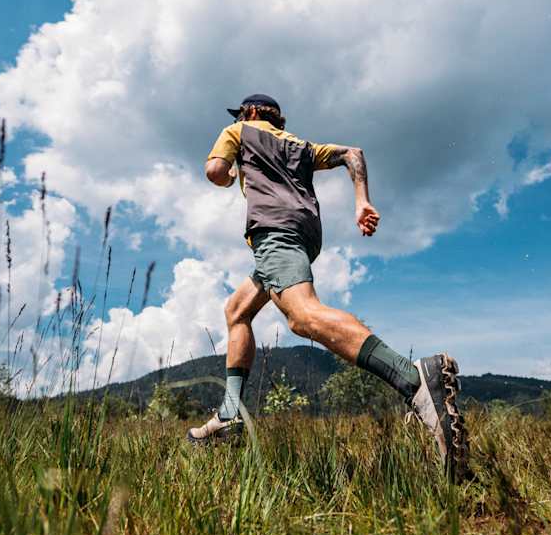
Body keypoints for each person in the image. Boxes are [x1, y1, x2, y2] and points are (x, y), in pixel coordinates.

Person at [186, 93, 468, 477]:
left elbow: (215, 171)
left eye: (242, 115)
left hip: (274, 231)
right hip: (304, 233)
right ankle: (230, 413)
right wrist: (362, 201)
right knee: (237, 310)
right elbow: (353, 153)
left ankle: (413, 380)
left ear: (249, 112)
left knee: (302, 316)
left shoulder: (239, 131)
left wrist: (231, 175)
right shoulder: (300, 145)